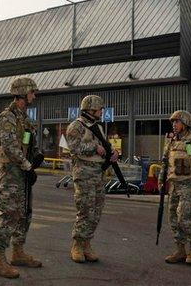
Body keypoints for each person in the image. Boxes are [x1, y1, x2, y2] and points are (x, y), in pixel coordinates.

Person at [0, 77, 42, 279]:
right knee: (9, 214)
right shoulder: (8, 117)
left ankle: (18, 252)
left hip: (22, 173)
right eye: (32, 92)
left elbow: (26, 141)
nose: (34, 96)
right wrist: (26, 164)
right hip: (11, 174)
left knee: (24, 213)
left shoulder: (24, 118)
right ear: (22, 93)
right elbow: (10, 146)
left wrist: (35, 156)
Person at [65, 95, 118, 263]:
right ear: (91, 109)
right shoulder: (76, 126)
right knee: (85, 210)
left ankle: (87, 243)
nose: (102, 112)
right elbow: (74, 148)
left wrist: (112, 154)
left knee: (96, 212)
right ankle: (77, 245)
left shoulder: (98, 128)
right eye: (100, 109)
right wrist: (95, 147)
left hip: (98, 174)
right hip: (84, 174)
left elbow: (104, 148)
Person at [159, 110, 191, 265]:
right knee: (173, 220)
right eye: (173, 122)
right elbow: (164, 161)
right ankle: (180, 250)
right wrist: (161, 180)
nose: (174, 125)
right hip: (174, 186)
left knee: (184, 219)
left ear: (186, 123)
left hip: (189, 186)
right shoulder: (171, 141)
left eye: (177, 122)